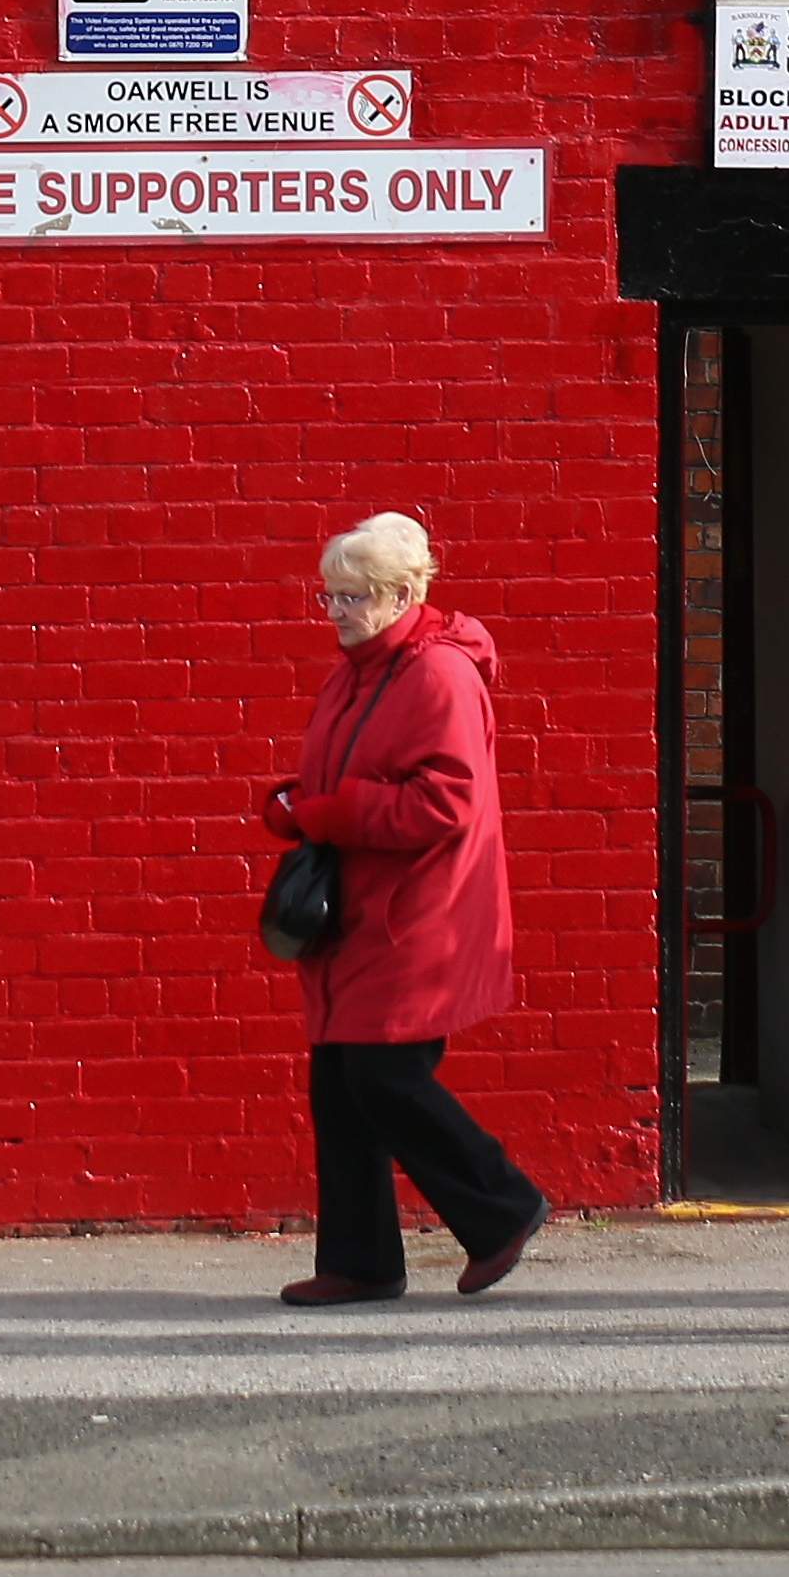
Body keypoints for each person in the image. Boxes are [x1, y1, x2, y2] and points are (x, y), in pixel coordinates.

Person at [259, 512, 546, 1308]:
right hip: (365, 913)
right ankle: (361, 1262)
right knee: (339, 1082)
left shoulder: (438, 676)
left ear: (402, 594)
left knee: (383, 1075)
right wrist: (297, 803)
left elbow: (444, 802)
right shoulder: (355, 671)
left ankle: (502, 1209)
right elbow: (348, 774)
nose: (338, 611)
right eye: (329, 596)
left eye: (354, 596)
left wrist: (331, 814)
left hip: (419, 915)